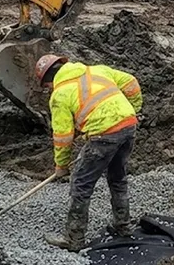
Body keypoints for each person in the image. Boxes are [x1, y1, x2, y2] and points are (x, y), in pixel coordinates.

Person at [34, 54, 143, 251]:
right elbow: (131, 83)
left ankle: (74, 239)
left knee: (81, 183)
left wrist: (61, 166)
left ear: (49, 81)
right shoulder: (97, 70)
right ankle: (123, 226)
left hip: (104, 135)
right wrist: (132, 110)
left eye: (47, 87)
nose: (49, 90)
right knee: (118, 177)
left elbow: (63, 136)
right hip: (128, 127)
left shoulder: (60, 94)